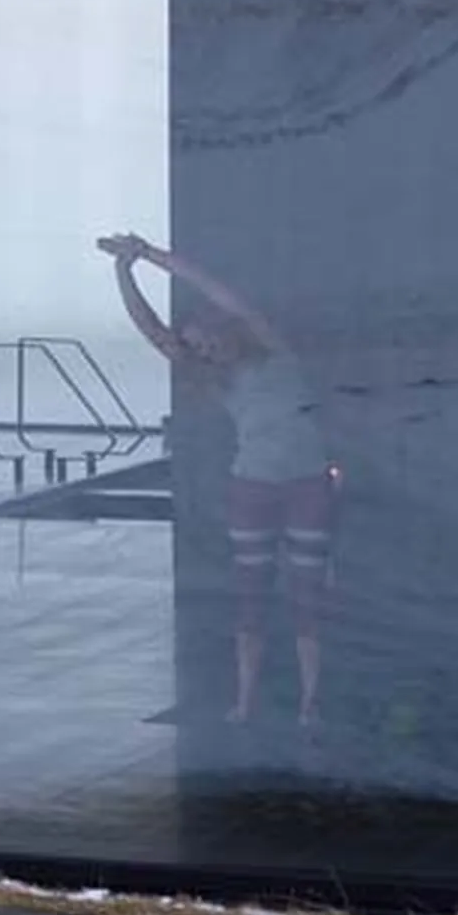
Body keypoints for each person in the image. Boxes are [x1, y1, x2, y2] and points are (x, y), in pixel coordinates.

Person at [102, 233, 333, 729]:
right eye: (195, 348)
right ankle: (246, 700)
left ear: (220, 329)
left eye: (204, 339)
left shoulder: (271, 347)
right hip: (253, 486)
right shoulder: (216, 380)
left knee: (308, 594)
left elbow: (214, 288)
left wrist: (151, 255)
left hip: (307, 484)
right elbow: (151, 330)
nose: (202, 350)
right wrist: (123, 271)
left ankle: (310, 701)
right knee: (251, 593)